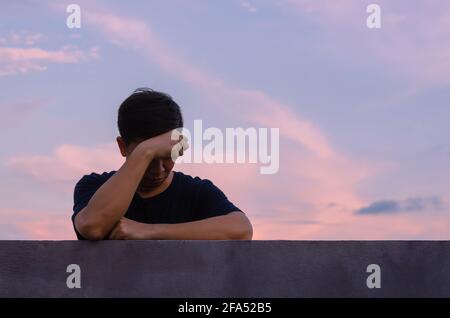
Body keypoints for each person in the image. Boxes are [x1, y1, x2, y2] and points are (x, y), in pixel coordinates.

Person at [71, 88, 253, 241]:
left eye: (167, 156)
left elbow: (242, 229)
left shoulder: (196, 192)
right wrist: (145, 152)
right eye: (150, 158)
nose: (159, 170)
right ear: (122, 146)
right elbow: (93, 227)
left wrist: (148, 231)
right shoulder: (94, 186)